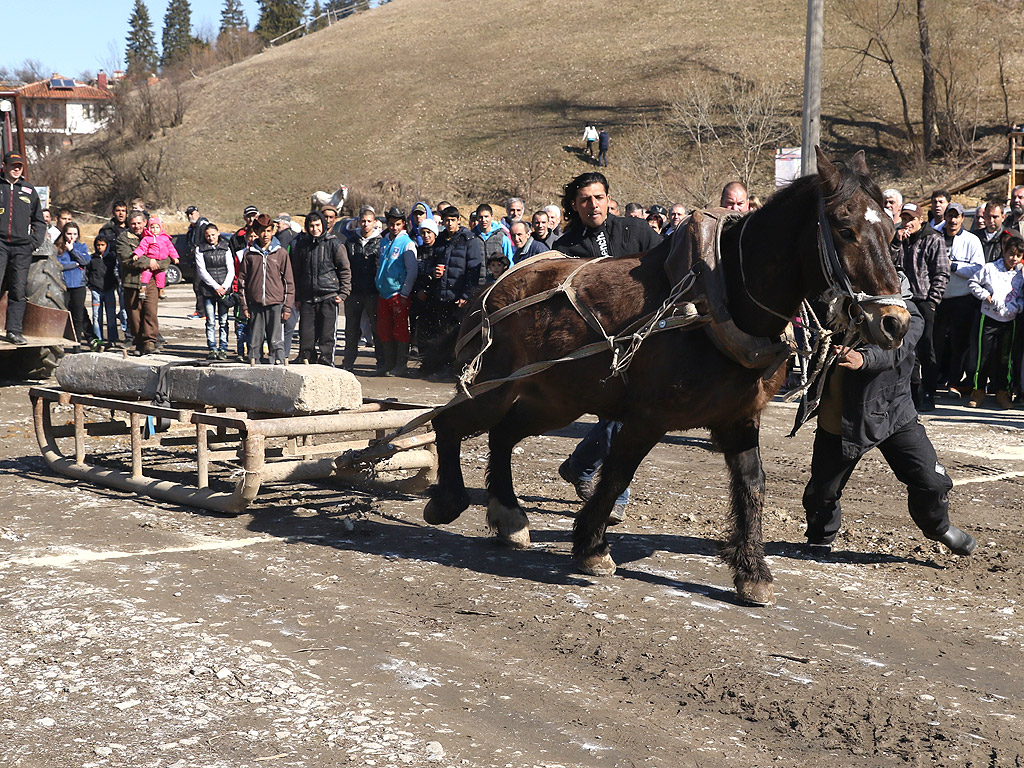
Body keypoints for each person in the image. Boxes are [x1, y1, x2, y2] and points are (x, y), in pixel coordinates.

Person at [801, 285, 977, 557]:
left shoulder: (908, 311)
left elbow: (897, 350)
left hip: (893, 410)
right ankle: (820, 539)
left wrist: (863, 358)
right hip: (840, 415)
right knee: (822, 492)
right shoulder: (828, 302)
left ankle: (938, 527)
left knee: (932, 482)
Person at [553, 171, 663, 523]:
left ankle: (582, 465)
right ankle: (612, 491)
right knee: (622, 414)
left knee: (627, 415)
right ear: (575, 205)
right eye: (585, 200)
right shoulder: (566, 247)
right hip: (598, 346)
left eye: (598, 197)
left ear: (608, 199)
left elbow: (670, 267)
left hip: (648, 339)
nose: (593, 205)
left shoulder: (638, 231)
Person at [892, 202, 948, 412]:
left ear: (920, 220)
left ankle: (928, 392)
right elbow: (888, 263)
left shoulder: (933, 238)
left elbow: (941, 272)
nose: (907, 223)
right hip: (902, 301)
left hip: (924, 301)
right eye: (904, 218)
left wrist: (933, 301)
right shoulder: (896, 238)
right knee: (906, 350)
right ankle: (911, 393)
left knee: (927, 349)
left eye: (911, 219)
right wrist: (897, 244)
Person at [417, 206, 481, 380]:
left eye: (453, 220)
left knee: (458, 334)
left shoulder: (469, 240)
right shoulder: (440, 241)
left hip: (458, 296)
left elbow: (473, 271)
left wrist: (466, 295)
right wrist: (433, 272)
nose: (449, 223)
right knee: (441, 334)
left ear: (458, 220)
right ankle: (440, 367)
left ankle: (456, 369)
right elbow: (430, 263)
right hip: (441, 295)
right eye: (446, 220)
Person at [965, 229, 1024, 409]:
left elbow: (1021, 296)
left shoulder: (1020, 275)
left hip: (1009, 321)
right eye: (1011, 254)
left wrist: (1018, 306)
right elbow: (972, 283)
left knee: (1004, 358)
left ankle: (1002, 392)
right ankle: (978, 390)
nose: (1014, 259)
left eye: (1018, 255)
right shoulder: (990, 269)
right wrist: (985, 295)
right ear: (1004, 251)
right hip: (989, 318)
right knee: (983, 356)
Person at [933, 203, 985, 396]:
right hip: (938, 298)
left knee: (959, 344)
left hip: (962, 300)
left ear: (963, 218)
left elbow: (979, 269)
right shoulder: (935, 236)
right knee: (934, 343)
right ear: (945, 217)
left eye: (957, 217)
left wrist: (953, 267)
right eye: (949, 216)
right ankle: (931, 381)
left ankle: (953, 382)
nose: (952, 220)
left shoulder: (971, 240)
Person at [289, 210, 352, 366]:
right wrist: (297, 297)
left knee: (327, 336)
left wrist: (343, 293)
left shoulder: (334, 244)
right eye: (311, 226)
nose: (314, 229)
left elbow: (345, 269)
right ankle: (306, 360)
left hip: (328, 295)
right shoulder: (302, 245)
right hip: (307, 298)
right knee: (306, 335)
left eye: (317, 225)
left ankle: (326, 362)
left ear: (323, 225)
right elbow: (297, 272)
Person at [0, 151, 46, 345]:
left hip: (22, 248)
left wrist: (33, 243)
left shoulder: (28, 190)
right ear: (4, 166)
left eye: (19, 166)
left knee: (18, 290)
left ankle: (14, 331)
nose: (17, 169)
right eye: (13, 165)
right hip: (0, 244)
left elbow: (39, 221)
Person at [239, 214, 294, 365]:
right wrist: (244, 305)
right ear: (256, 231)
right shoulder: (249, 254)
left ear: (273, 231)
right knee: (255, 338)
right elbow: (242, 281)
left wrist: (287, 307)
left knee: (276, 339)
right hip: (255, 303)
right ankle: (254, 361)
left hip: (276, 304)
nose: (266, 234)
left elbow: (289, 282)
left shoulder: (281, 253)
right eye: (262, 231)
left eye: (269, 231)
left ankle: (278, 362)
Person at [375, 206, 418, 376]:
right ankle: (388, 363)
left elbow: (412, 270)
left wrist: (405, 293)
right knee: (384, 329)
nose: (394, 227)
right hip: (383, 293)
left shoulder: (407, 243)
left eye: (398, 224)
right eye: (391, 224)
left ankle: (401, 365)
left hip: (398, 294)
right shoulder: (384, 241)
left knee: (400, 329)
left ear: (403, 224)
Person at [341, 207, 381, 372]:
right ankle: (348, 362)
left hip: (373, 292)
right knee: (351, 329)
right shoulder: (350, 241)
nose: (365, 224)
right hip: (354, 291)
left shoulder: (380, 242)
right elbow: (344, 266)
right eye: (363, 221)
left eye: (368, 221)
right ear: (358, 222)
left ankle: (381, 361)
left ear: (374, 223)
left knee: (377, 329)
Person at [117, 211, 161, 355]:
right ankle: (139, 343)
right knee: (135, 316)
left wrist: (158, 263)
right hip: (132, 282)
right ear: (129, 224)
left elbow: (165, 254)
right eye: (133, 224)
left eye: (139, 223)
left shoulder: (154, 235)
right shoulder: (123, 238)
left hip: (151, 282)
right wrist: (149, 262)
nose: (137, 226)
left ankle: (150, 342)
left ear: (144, 223)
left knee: (150, 312)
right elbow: (127, 259)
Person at [194, 223, 235, 360]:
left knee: (223, 321)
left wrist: (224, 286)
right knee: (210, 321)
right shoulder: (200, 249)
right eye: (208, 235)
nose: (211, 238)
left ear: (218, 233)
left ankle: (223, 348)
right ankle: (212, 348)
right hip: (208, 290)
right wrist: (215, 286)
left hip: (224, 290)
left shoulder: (226, 248)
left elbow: (231, 269)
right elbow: (202, 271)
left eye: (213, 234)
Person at [54, 221, 93, 348]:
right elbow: (57, 266)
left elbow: (85, 261)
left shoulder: (81, 247)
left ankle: (77, 345)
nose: (72, 237)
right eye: (69, 233)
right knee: (62, 316)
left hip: (78, 285)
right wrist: (73, 265)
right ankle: (60, 344)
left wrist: (72, 251)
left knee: (78, 316)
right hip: (63, 286)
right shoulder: (58, 248)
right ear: (64, 234)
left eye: (74, 234)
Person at [132, 216, 178, 300]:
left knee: (161, 275)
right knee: (146, 273)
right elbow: (142, 248)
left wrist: (174, 257)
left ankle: (161, 290)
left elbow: (171, 248)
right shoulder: (147, 238)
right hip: (150, 260)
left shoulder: (165, 238)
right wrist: (137, 254)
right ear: (149, 228)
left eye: (157, 227)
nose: (155, 229)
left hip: (161, 261)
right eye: (152, 227)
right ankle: (143, 288)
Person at [87, 234, 120, 350]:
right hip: (96, 290)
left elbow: (116, 272)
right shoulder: (92, 259)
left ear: (107, 245)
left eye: (102, 245)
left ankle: (112, 339)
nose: (100, 247)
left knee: (111, 316)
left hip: (109, 290)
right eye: (98, 245)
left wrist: (115, 284)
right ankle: (98, 339)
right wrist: (90, 285)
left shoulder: (111, 258)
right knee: (96, 317)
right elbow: (87, 273)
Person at [473, 204, 513, 273]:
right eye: (481, 217)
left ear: (492, 217)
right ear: (477, 218)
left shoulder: (501, 236)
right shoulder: (472, 236)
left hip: (497, 279)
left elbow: (509, 259)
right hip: (477, 280)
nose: (483, 220)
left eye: (486, 217)